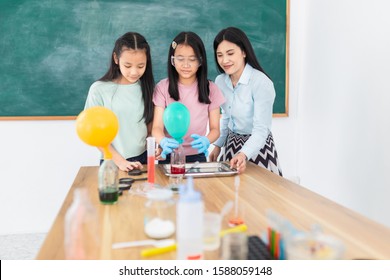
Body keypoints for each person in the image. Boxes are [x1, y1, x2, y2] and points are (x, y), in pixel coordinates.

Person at [209, 27, 283, 175]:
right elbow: (227, 118)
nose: (224, 60)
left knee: (260, 196)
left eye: (230, 53)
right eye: (219, 55)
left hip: (258, 149)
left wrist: (243, 154)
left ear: (243, 52)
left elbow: (261, 129)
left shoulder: (261, 82)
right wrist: (217, 146)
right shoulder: (220, 81)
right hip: (231, 147)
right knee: (229, 196)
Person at [84, 32, 155, 171]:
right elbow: (95, 133)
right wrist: (120, 161)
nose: (134, 72)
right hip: (111, 161)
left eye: (141, 66)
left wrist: (155, 146)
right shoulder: (99, 89)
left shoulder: (148, 88)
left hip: (144, 159)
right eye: (128, 66)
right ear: (116, 59)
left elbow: (149, 127)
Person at [152, 31, 225, 163]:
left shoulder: (211, 89)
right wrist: (163, 142)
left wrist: (207, 140)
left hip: (198, 155)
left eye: (192, 59)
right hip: (168, 153)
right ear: (172, 59)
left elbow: (215, 129)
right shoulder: (162, 87)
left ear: (200, 60)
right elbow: (156, 127)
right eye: (180, 59)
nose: (186, 65)